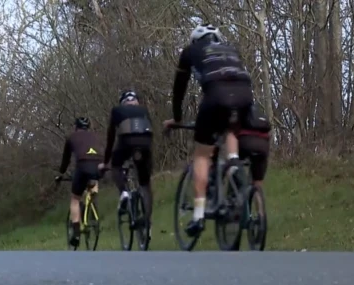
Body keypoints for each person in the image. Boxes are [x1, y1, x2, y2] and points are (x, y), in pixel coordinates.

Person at [163, 23, 254, 237]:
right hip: (244, 96)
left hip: (215, 97)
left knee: (202, 155)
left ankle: (199, 216)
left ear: (195, 40)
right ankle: (233, 163)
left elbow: (179, 89)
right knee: (231, 126)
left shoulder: (190, 51)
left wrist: (176, 118)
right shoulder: (231, 49)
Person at [103, 90, 154, 235]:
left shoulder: (117, 110)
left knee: (116, 166)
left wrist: (106, 161)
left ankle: (124, 193)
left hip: (126, 141)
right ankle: (147, 221)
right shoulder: (144, 110)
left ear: (123, 102)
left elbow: (110, 138)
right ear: (136, 101)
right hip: (145, 143)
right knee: (145, 184)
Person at [55, 117, 104, 248]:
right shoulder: (95, 137)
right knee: (93, 182)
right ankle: (92, 201)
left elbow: (66, 159)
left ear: (76, 127)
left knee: (75, 199)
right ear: (88, 127)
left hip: (83, 166)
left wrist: (61, 173)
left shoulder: (72, 137)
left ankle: (76, 233)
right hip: (99, 165)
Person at [236, 102, 271, 188]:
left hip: (244, 144)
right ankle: (258, 197)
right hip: (263, 147)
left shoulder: (239, 116)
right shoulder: (260, 118)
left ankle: (235, 191)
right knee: (257, 182)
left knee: (234, 163)